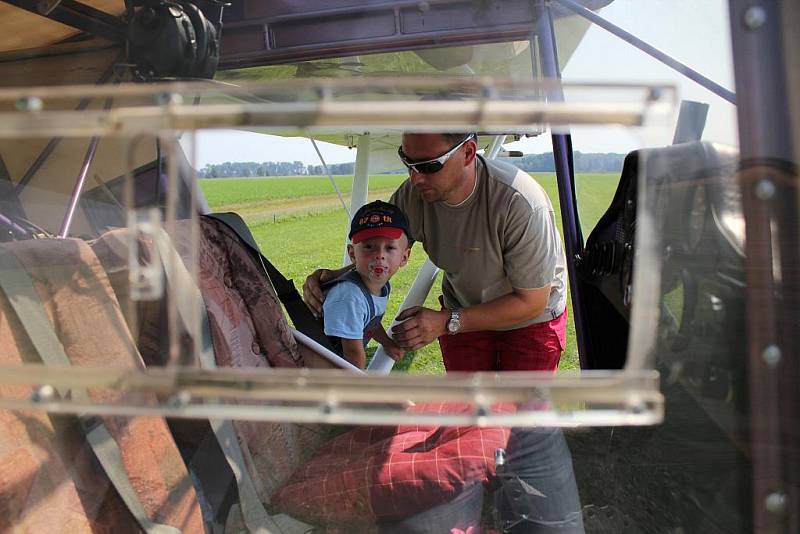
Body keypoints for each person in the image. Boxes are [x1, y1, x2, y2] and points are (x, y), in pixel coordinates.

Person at [305, 132, 567, 372]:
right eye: (408, 162)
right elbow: (381, 250)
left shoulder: (519, 203)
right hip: (463, 308)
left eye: (429, 166)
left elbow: (532, 302)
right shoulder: (413, 195)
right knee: (466, 412)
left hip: (531, 320)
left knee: (523, 417)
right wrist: (334, 277)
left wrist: (445, 322)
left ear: (468, 152)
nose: (415, 178)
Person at [321, 200, 411, 369]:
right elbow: (352, 353)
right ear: (352, 253)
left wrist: (386, 342)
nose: (379, 255)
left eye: (390, 248)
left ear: (404, 257)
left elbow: (369, 321)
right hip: (323, 370)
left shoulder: (379, 286)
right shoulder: (349, 296)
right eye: (369, 247)